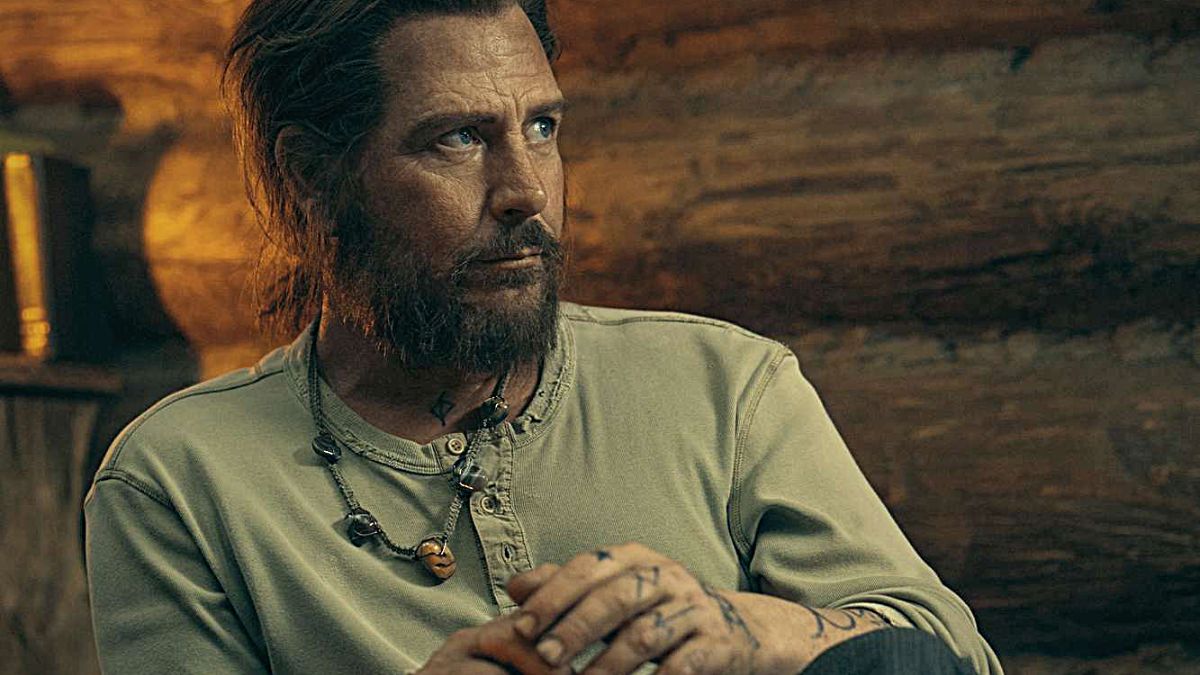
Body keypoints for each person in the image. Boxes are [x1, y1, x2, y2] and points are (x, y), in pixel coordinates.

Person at [84, 1, 1003, 673]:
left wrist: (748, 631)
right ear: (311, 176)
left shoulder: (726, 386)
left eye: (542, 126)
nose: (526, 189)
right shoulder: (179, 479)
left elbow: (950, 653)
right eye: (457, 138)